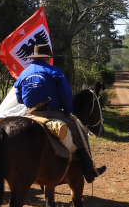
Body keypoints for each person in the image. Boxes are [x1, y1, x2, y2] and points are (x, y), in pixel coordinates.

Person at [13, 44, 103, 183]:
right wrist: (68, 111)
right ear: (46, 57)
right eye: (49, 57)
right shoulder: (54, 72)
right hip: (52, 113)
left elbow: (19, 98)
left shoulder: (23, 74)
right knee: (81, 135)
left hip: (30, 113)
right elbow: (66, 95)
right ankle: (89, 171)